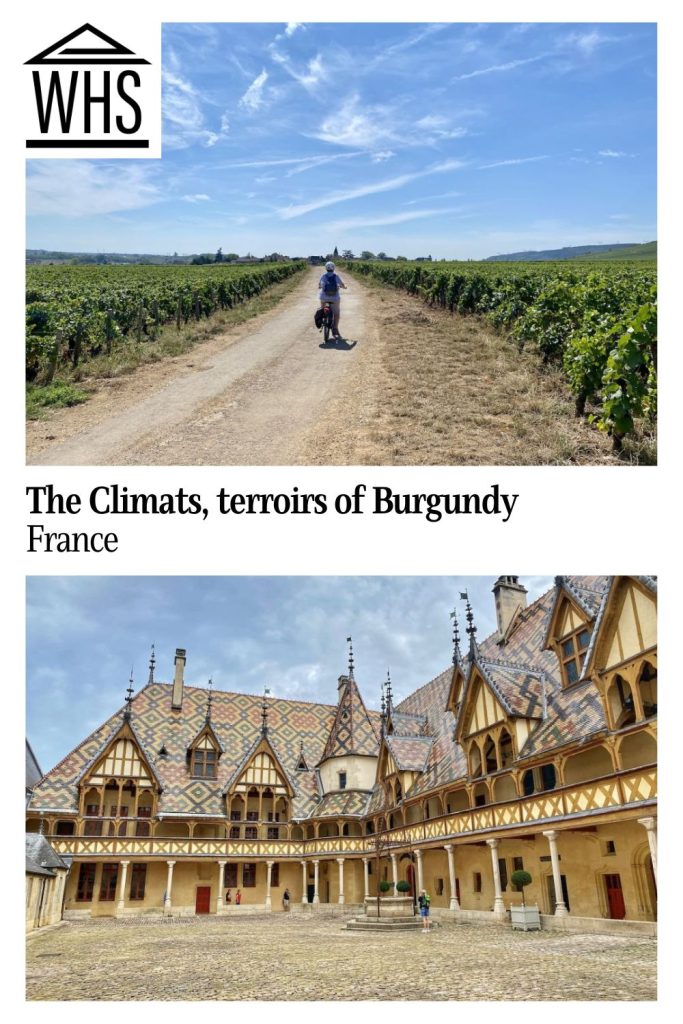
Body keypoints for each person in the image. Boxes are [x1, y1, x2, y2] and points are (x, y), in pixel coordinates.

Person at [318, 261, 347, 338]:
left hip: (324, 297)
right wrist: (344, 287)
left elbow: (320, 285)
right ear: (333, 268)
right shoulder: (336, 276)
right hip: (335, 298)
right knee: (336, 313)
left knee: (322, 308)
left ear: (326, 268)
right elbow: (342, 285)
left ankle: (322, 318)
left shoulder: (323, 276)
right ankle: (335, 328)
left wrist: (320, 287)